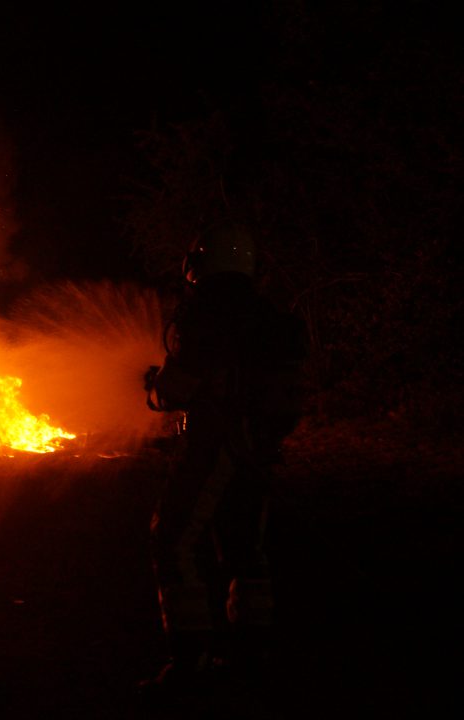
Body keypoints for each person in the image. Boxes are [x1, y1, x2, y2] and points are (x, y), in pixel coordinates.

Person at [140, 221, 305, 695]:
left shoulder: (207, 315)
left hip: (216, 445)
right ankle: (254, 655)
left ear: (199, 264)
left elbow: (177, 390)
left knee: (171, 537)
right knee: (243, 547)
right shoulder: (268, 315)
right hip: (259, 449)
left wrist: (154, 388)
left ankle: (189, 663)